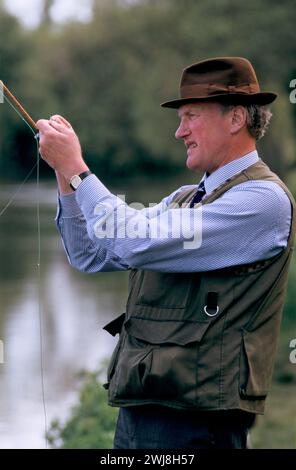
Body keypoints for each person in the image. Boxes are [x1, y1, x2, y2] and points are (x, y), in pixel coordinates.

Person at [36, 57, 295, 449]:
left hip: (197, 425)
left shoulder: (263, 202)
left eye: (191, 116)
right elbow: (89, 252)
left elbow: (133, 240)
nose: (180, 131)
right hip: (143, 413)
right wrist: (65, 177)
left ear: (236, 118)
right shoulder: (184, 198)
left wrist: (77, 168)